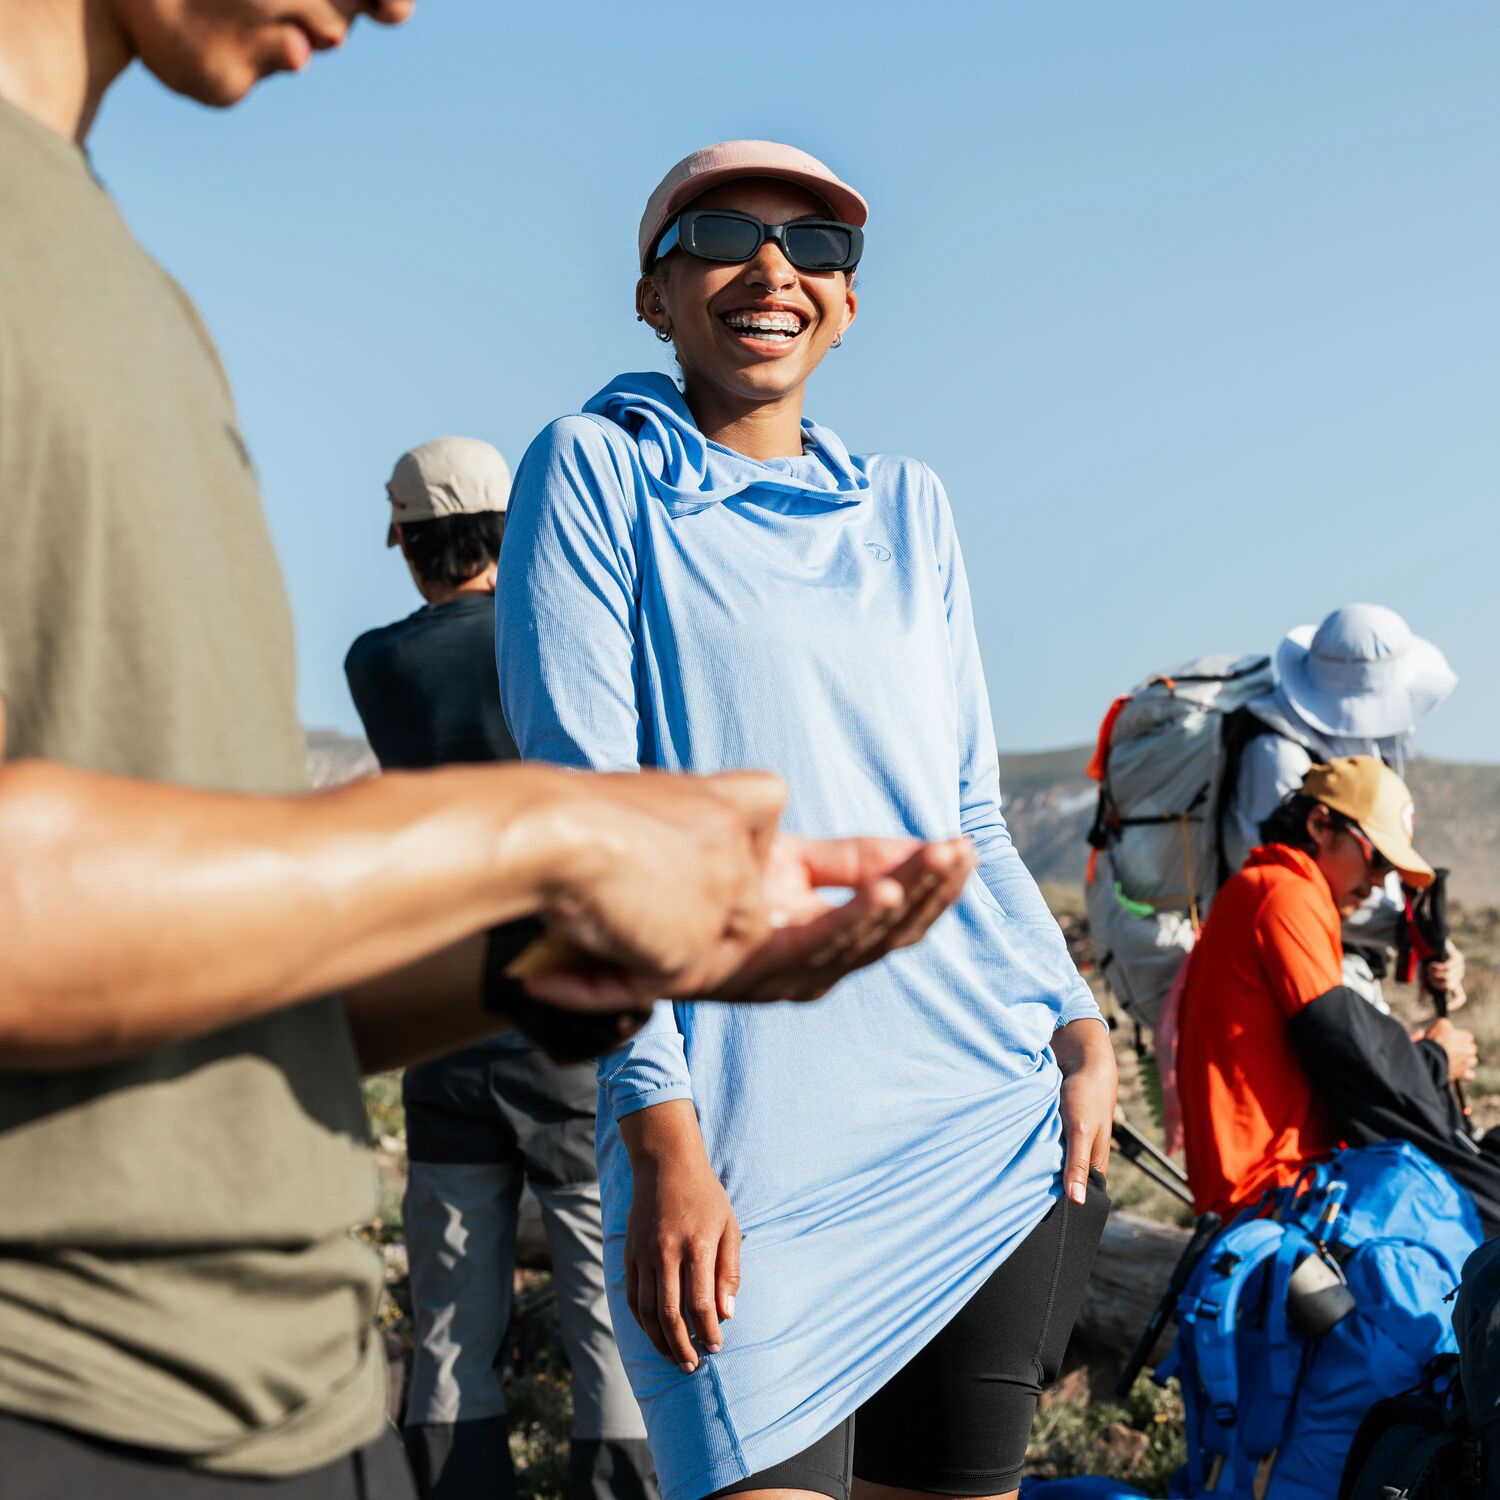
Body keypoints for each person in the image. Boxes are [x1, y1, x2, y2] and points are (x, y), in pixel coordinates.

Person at [0, 11, 974, 1495]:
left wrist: (540, 962)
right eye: (722, 234)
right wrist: (536, 841)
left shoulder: (107, 267)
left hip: (284, 1402)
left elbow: (198, 974)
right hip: (65, 1398)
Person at [496, 140, 1119, 1500]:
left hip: (978, 1131)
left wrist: (1077, 1020)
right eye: (722, 233)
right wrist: (659, 1134)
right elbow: (591, 829)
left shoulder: (910, 508)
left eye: (819, 247)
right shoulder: (595, 474)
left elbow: (963, 815)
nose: (774, 269)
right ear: (654, 295)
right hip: (740, 1165)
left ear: (848, 302)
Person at [346, 437, 657, 1500]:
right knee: (606, 1326)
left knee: (445, 1331)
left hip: (440, 1020)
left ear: (408, 544)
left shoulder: (375, 664)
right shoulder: (555, 643)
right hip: (566, 1017)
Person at [1177, 756, 1500, 1235]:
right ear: (1320, 824)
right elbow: (1343, 1044)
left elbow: (1325, 1041)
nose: (1377, 883)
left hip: (1274, 1182)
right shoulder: (1284, 893)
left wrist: (1410, 1053)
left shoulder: (1262, 890)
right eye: (1378, 860)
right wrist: (1433, 1059)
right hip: (1279, 1189)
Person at [1221, 603, 1464, 1011]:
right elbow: (1289, 881)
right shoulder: (1277, 754)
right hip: (1299, 965)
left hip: (1338, 959)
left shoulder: (1358, 746)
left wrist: (1427, 942)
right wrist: (1412, 935)